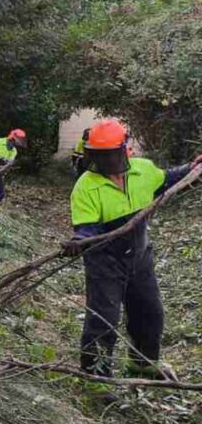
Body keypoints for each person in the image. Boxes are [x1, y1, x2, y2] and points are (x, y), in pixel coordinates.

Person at [67, 120, 202, 378]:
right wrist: (79, 242)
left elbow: (169, 178)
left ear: (122, 150)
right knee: (104, 319)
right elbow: (86, 229)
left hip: (140, 256)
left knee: (150, 312)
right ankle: (96, 378)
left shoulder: (143, 170)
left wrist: (192, 169)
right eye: (99, 155)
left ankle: (143, 364)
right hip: (104, 260)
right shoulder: (85, 186)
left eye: (109, 155)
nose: (105, 161)